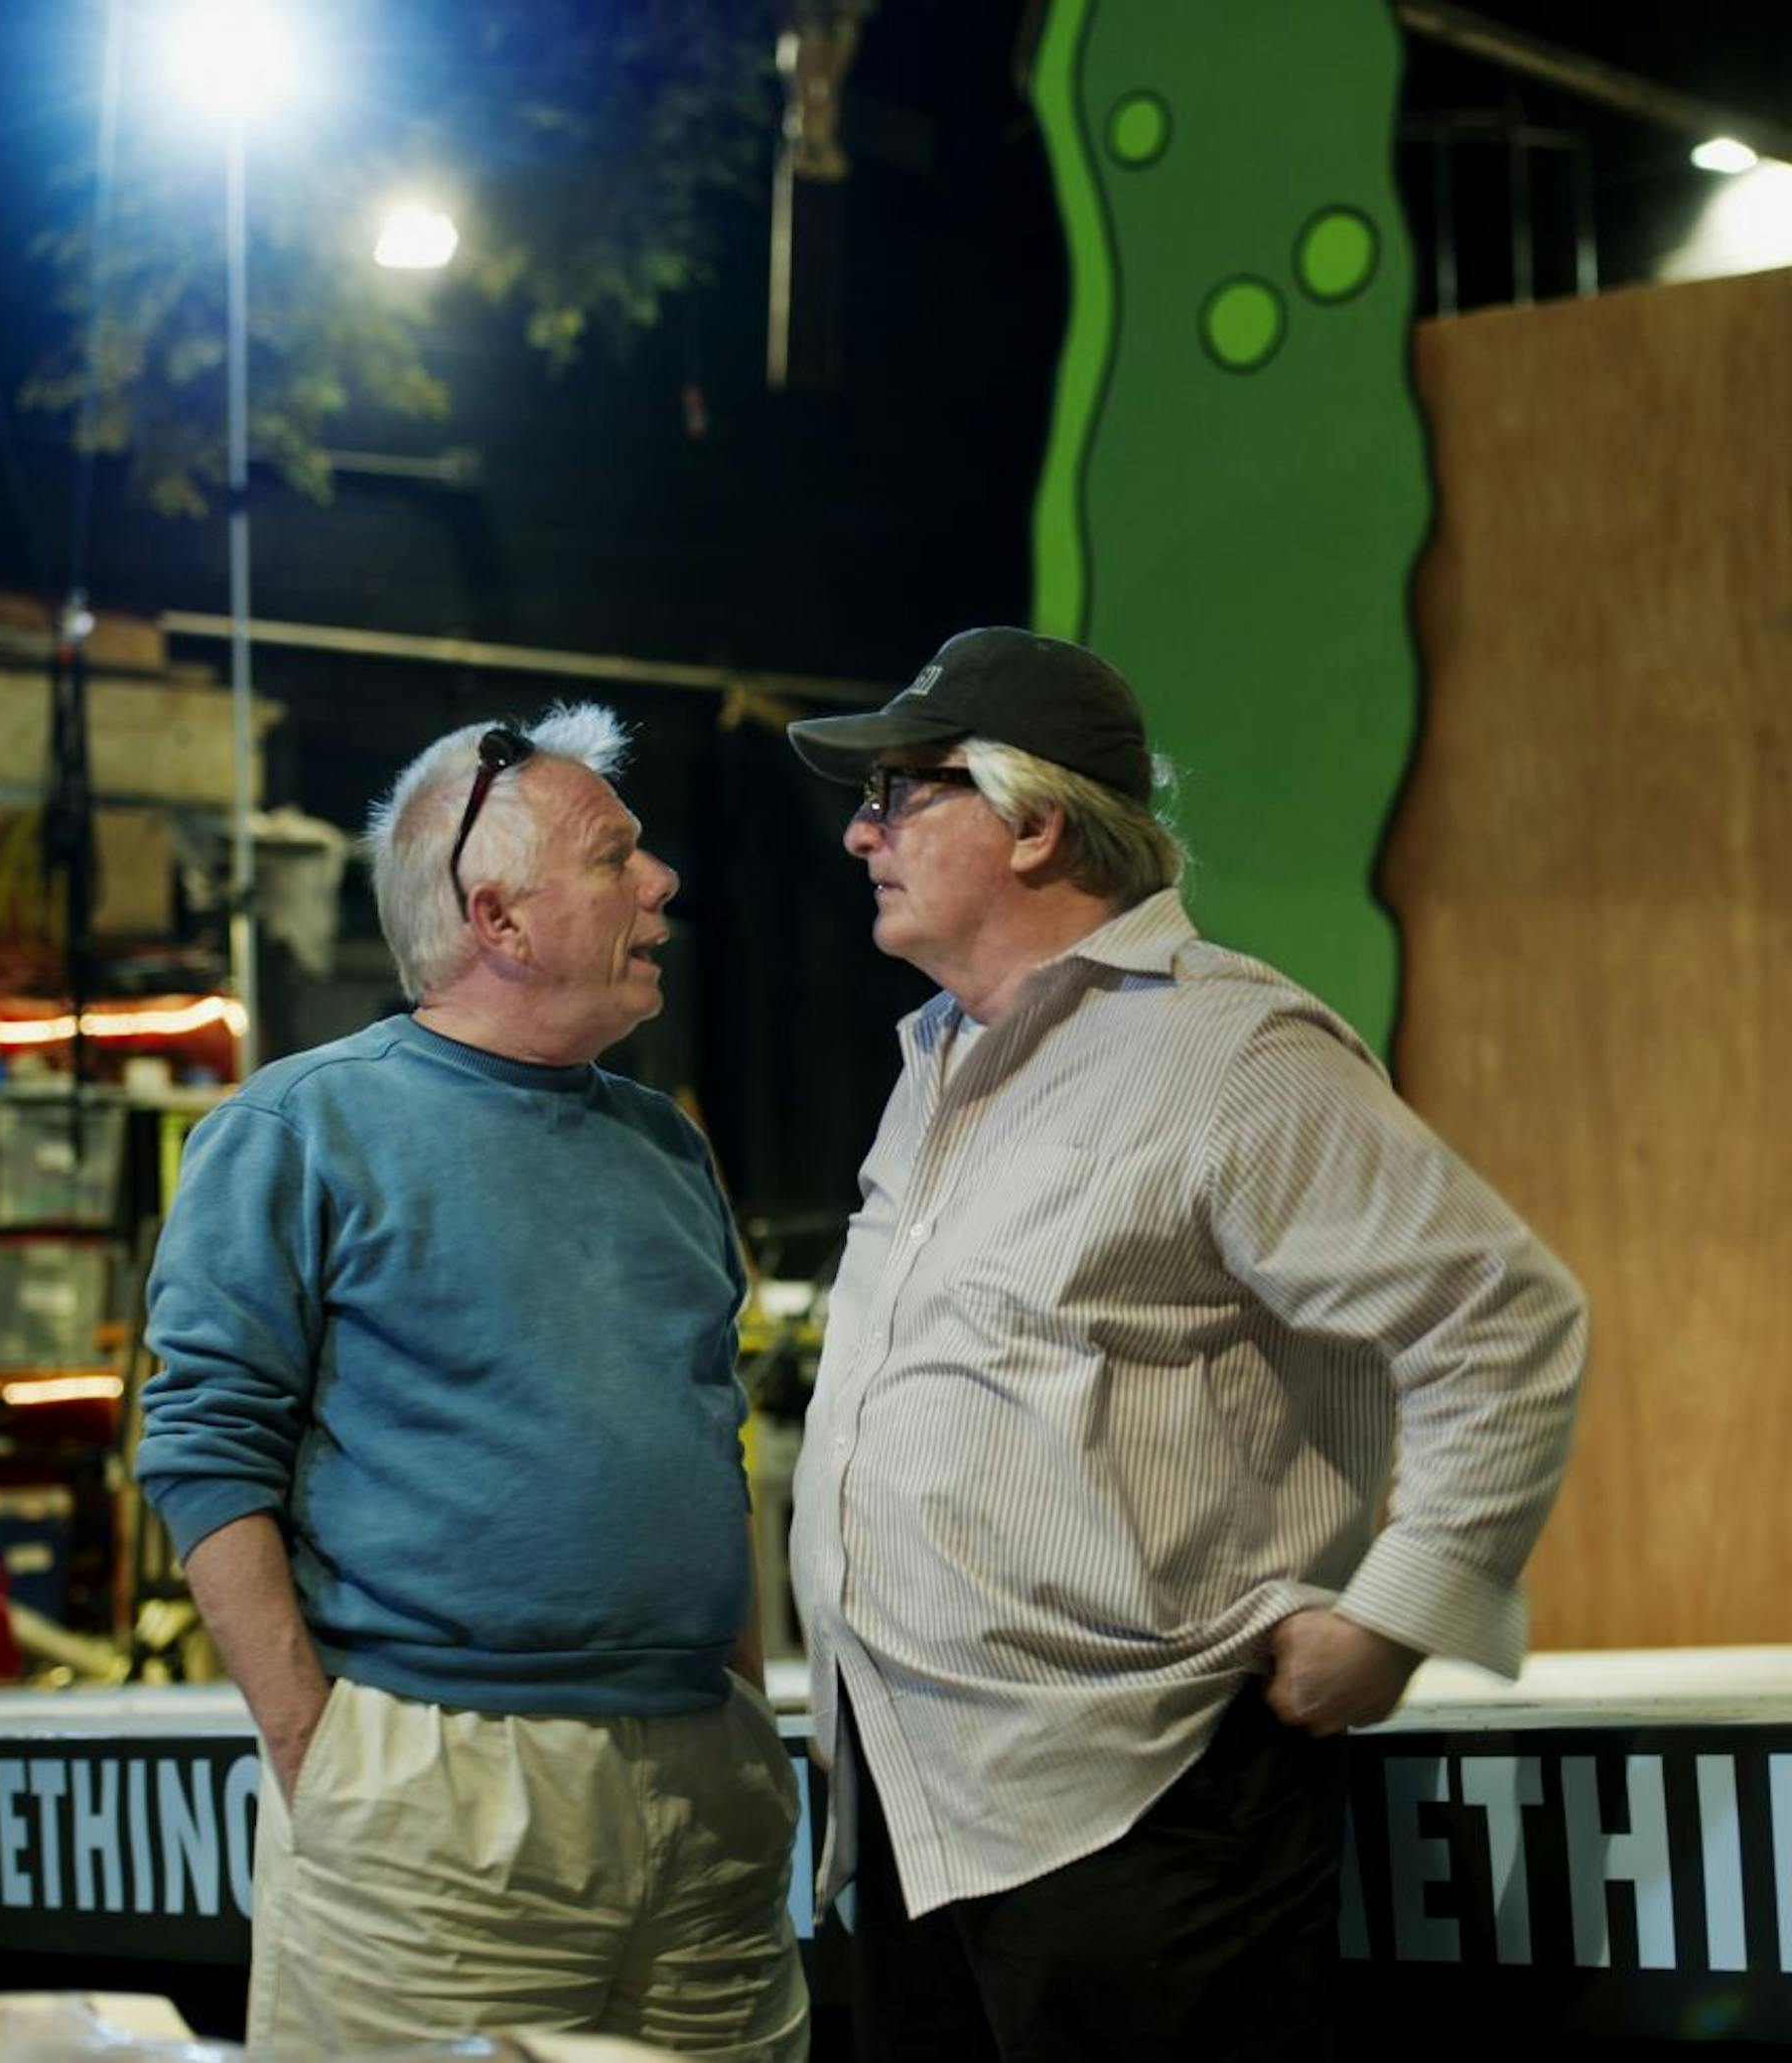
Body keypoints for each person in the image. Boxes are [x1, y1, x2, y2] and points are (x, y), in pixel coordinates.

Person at [784, 627, 1587, 2062]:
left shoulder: (1232, 1051)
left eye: (903, 793)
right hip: (924, 1811)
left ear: (1033, 821)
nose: (861, 830)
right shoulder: (938, 1060)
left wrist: (1398, 1612)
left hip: (1141, 1813)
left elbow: (1501, 1323)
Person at [136, 704, 809, 2061]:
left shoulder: (666, 1148)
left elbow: (704, 1435)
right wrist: (316, 1753)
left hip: (702, 1780)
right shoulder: (297, 1129)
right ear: (497, 917)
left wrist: (738, 1710)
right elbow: (205, 1446)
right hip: (438, 1795)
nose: (663, 880)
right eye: (618, 857)